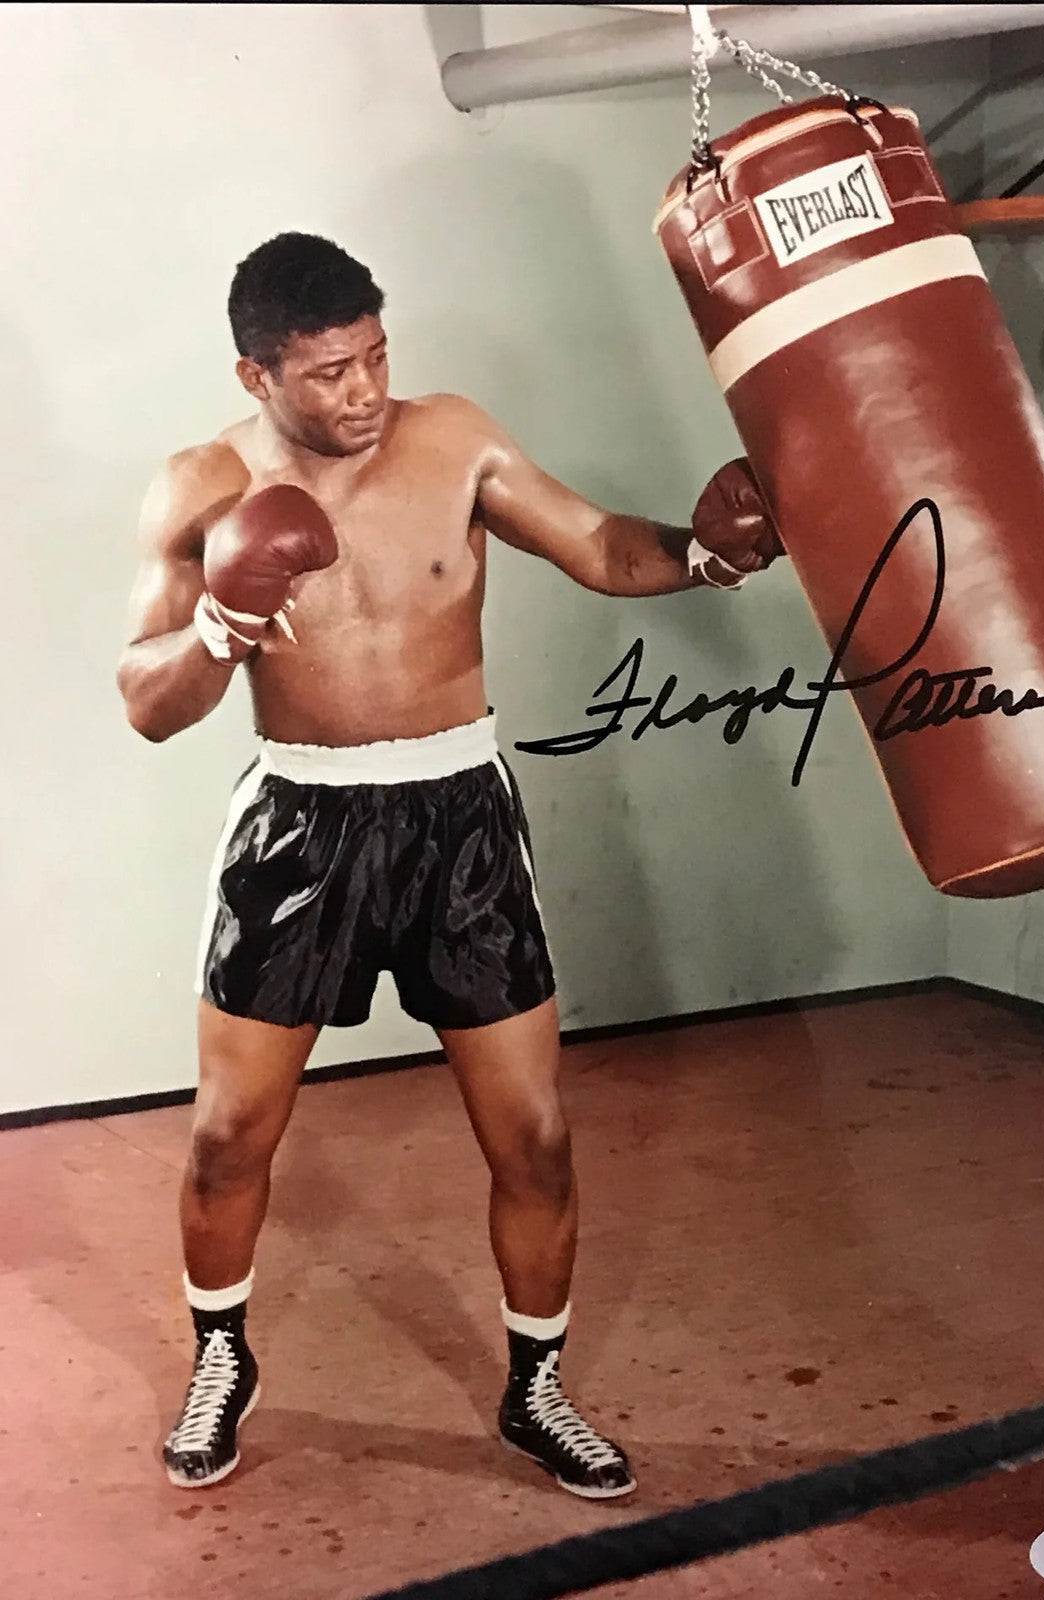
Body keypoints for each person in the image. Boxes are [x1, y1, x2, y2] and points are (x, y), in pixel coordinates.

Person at [116, 232, 783, 1501]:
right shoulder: (197, 487)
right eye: (325, 373)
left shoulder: (454, 437)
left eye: (374, 356)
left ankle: (535, 1389)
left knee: (533, 1137)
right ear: (255, 374)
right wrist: (219, 618)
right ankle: (221, 1359)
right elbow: (148, 701)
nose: (362, 391)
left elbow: (597, 545)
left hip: (459, 818)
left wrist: (708, 554)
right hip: (301, 826)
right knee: (226, 1135)